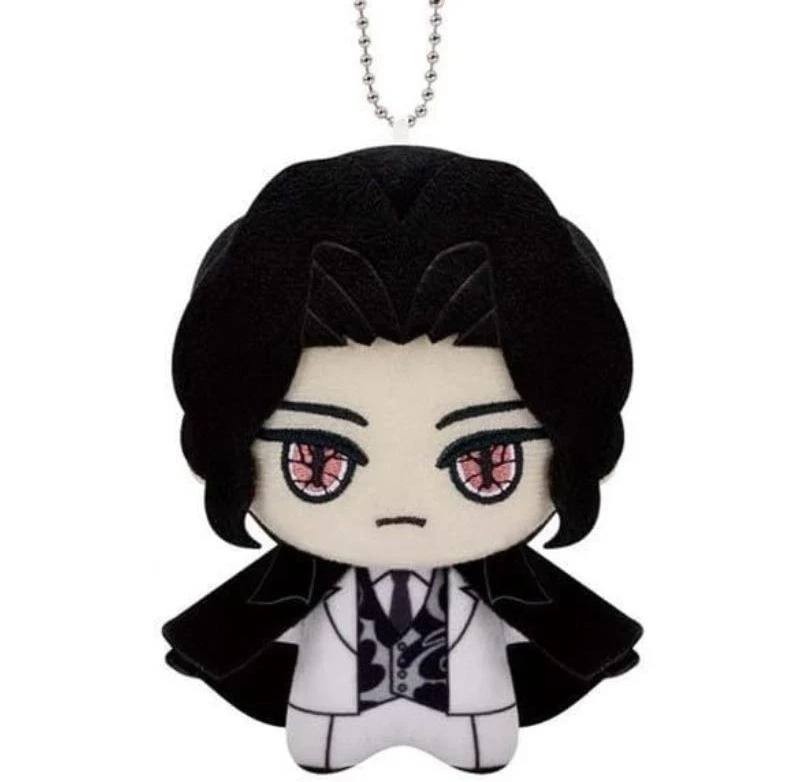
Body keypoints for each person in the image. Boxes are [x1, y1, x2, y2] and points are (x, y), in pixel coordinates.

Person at [163, 146, 643, 773]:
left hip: (471, 711)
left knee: (475, 735)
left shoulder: (493, 578)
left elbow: (550, 617)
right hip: (332, 711)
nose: (400, 503)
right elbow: (254, 616)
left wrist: (591, 645)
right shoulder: (313, 578)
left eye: (485, 462)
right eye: (319, 461)